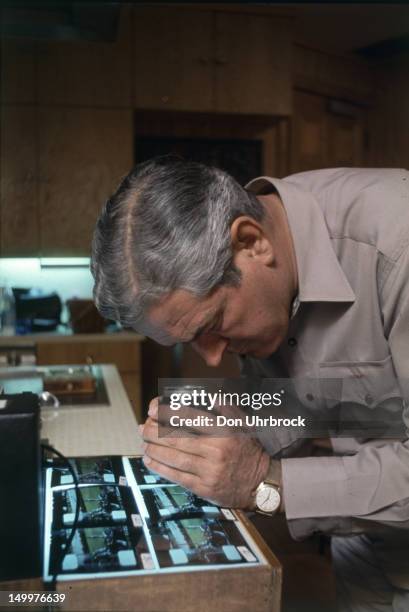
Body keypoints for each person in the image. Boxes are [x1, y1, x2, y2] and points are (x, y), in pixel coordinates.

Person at [91, 156, 409, 611]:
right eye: (188, 343)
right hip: (363, 543)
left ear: (251, 241)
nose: (215, 356)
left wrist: (264, 481)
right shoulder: (269, 261)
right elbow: (359, 405)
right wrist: (237, 418)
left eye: (213, 324)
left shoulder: (398, 242)